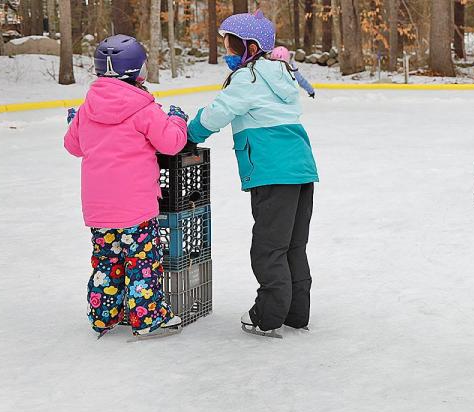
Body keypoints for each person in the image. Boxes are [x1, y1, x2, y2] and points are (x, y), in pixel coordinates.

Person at [186, 10, 320, 338]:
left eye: (232, 47)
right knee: (292, 245)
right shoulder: (282, 73)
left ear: (250, 46)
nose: (229, 54)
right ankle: (295, 313)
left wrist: (189, 134)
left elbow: (219, 112)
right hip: (301, 170)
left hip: (273, 173)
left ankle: (268, 316)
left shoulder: (249, 77)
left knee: (269, 248)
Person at [64, 34, 188, 339]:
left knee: (107, 260)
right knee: (142, 262)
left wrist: (74, 123)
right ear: (137, 71)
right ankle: (147, 319)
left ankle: (104, 315)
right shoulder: (144, 108)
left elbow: (73, 146)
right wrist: (177, 120)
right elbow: (171, 144)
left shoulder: (86, 109)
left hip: (99, 209)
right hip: (136, 208)